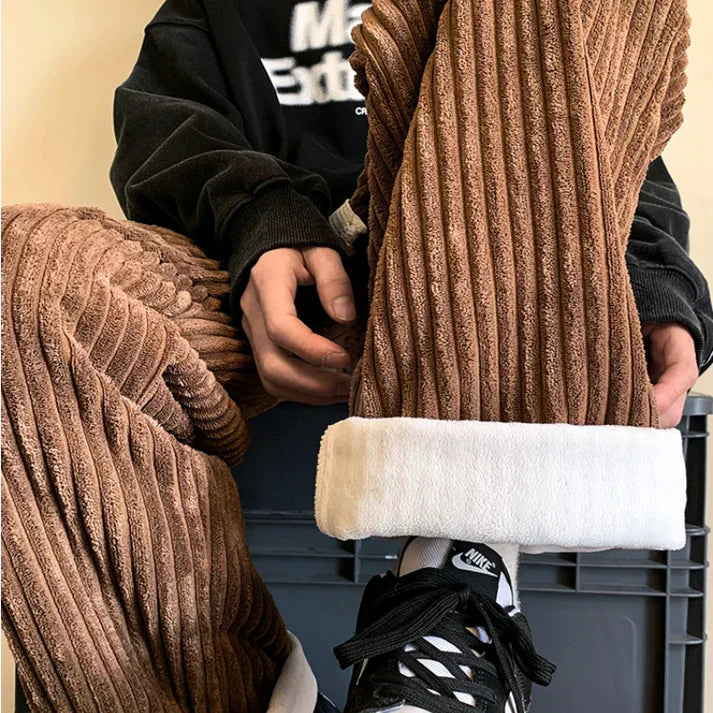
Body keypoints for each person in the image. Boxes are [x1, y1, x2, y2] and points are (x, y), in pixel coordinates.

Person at [111, 1, 713, 711]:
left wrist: (649, 288)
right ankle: (262, 682)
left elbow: (614, 157)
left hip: (484, 291)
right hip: (250, 279)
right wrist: (258, 217)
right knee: (31, 270)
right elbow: (162, 125)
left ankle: (452, 583)